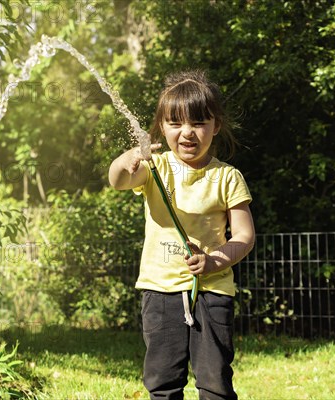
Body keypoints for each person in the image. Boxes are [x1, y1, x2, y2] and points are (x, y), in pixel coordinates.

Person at [108, 70, 255, 400]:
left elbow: (244, 236)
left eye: (199, 122)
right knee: (162, 381)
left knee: (215, 381)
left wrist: (214, 260)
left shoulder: (227, 177)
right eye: (175, 123)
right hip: (159, 293)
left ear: (216, 126)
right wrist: (126, 159)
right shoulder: (154, 168)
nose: (187, 132)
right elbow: (118, 181)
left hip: (211, 292)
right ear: (162, 127)